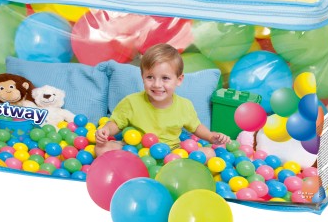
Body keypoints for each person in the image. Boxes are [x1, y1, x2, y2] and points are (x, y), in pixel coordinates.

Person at [95, 43, 231, 156]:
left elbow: (196, 127)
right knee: (101, 148)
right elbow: (116, 123)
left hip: (171, 153)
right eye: (150, 77)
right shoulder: (131, 102)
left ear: (179, 80)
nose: (157, 84)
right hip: (136, 150)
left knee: (209, 153)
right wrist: (106, 130)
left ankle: (171, 168)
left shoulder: (184, 105)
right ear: (142, 77)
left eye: (165, 78)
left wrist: (211, 136)